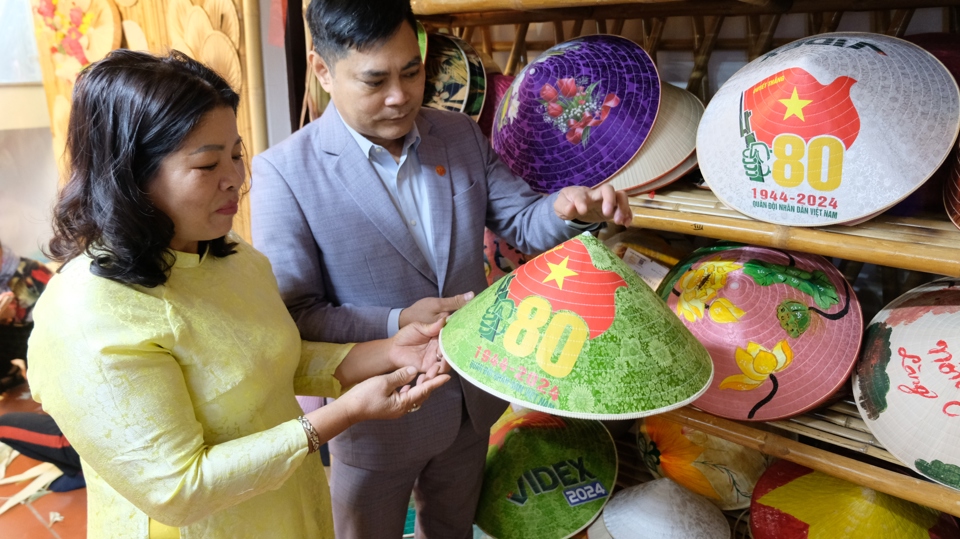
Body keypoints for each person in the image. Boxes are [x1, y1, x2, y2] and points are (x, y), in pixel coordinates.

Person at [26, 49, 451, 539]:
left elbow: (259, 360)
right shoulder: (87, 313)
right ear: (132, 179)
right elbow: (179, 489)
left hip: (287, 509)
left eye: (236, 153)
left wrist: (387, 351)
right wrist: (346, 413)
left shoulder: (230, 258)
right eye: (208, 165)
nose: (236, 179)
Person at [249, 1, 634, 536]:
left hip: (470, 401)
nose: (400, 95)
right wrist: (396, 321)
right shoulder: (284, 172)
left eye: (412, 71)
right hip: (374, 415)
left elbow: (522, 222)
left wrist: (570, 212)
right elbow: (294, 314)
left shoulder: (457, 135)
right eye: (375, 79)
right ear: (322, 70)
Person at [0, 240, 53, 393]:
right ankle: (10, 376)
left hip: (38, 337)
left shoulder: (31, 272)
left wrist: (11, 317)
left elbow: (50, 326)